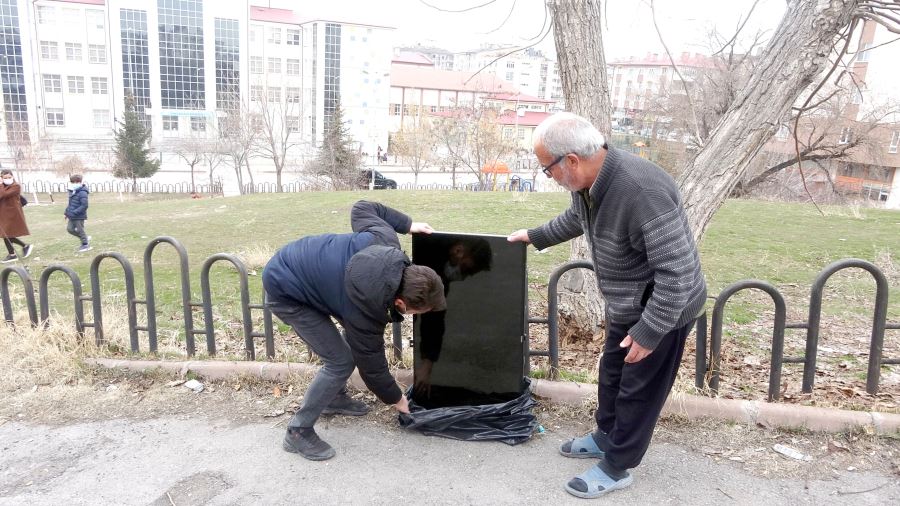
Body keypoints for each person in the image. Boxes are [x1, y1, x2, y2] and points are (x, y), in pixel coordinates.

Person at [507, 112, 707, 499]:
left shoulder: (640, 189)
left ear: (572, 161)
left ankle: (618, 465)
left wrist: (650, 333)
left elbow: (677, 274)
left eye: (546, 169)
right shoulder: (590, 185)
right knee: (612, 373)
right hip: (629, 301)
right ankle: (605, 436)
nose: (548, 177)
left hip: (663, 307)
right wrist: (534, 236)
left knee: (639, 389)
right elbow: (577, 219)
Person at [262, 200, 446, 461]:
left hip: (309, 269)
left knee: (344, 355)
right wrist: (398, 400)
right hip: (286, 289)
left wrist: (407, 225)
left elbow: (363, 208)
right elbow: (372, 367)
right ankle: (298, 431)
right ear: (401, 303)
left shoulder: (386, 240)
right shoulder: (365, 314)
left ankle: (334, 398)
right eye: (418, 313)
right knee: (340, 361)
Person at [413, 235, 492, 397]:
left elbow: (435, 319)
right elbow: (431, 316)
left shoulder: (441, 275)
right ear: (458, 251)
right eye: (466, 269)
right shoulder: (428, 253)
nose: (464, 277)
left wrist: (426, 365)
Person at [0, 169, 33, 263]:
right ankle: (23, 248)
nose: (7, 179)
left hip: (12, 213)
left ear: (12, 177)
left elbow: (4, 194)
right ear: (2, 178)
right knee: (6, 234)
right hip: (3, 213)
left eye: (9, 177)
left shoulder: (16, 186)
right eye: (5, 178)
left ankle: (13, 254)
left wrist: (1, 184)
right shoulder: (2, 186)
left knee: (6, 234)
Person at [64, 174, 91, 253]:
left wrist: (74, 212)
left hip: (79, 216)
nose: (72, 184)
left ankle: (85, 245)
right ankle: (85, 238)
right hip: (71, 215)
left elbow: (84, 205)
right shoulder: (72, 191)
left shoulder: (83, 192)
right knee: (70, 229)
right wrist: (66, 213)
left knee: (80, 230)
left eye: (74, 182)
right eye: (71, 182)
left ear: (79, 182)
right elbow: (71, 204)